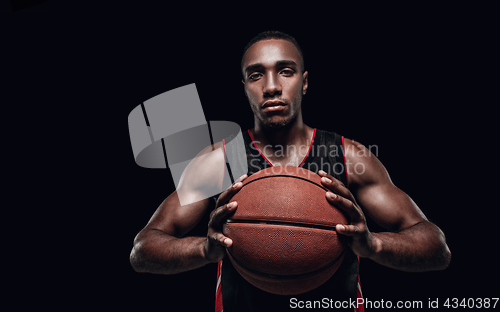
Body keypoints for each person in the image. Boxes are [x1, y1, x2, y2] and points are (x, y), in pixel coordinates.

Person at [130, 31, 451, 311]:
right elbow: (143, 249)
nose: (271, 86)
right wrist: (204, 248)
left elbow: (436, 247)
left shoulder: (348, 156)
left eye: (285, 71)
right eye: (256, 75)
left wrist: (373, 245)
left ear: (305, 81)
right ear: (244, 87)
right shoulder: (220, 161)